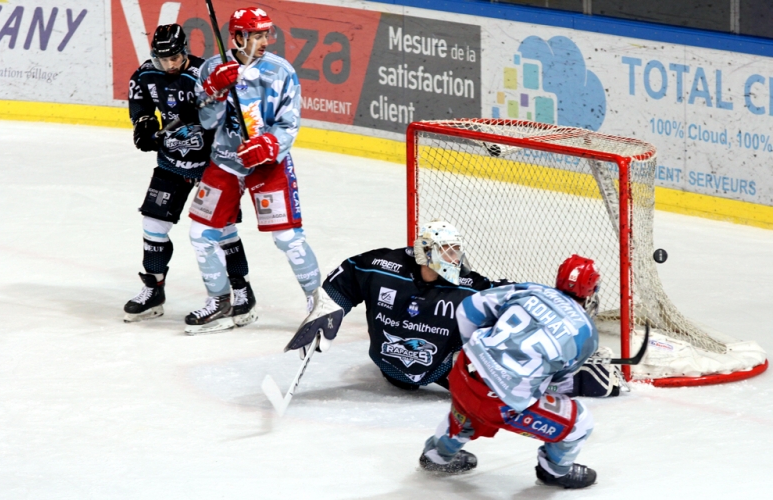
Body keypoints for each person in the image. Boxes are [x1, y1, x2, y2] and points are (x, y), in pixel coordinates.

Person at [184, 7, 321, 334]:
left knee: (287, 237)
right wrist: (213, 91)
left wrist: (269, 144)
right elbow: (206, 121)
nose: (264, 41)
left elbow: (289, 123)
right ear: (237, 37)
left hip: (267, 165)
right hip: (225, 160)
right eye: (256, 35)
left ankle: (318, 302)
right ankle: (220, 301)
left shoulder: (281, 71)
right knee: (200, 234)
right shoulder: (212, 68)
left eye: (264, 35)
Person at [419, 255, 602, 489]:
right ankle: (553, 471)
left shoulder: (530, 290)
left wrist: (481, 356)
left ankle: (437, 456)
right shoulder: (587, 334)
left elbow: (467, 310)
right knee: (580, 422)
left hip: (463, 373)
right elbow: (557, 384)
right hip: (500, 404)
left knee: (468, 408)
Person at [124, 24, 257, 328]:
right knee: (153, 224)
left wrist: (211, 112)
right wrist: (143, 123)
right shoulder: (146, 74)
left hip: (213, 165)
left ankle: (241, 290)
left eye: (174, 57)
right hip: (171, 161)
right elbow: (141, 101)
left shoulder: (205, 74)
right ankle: (153, 289)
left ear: (185, 51)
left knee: (221, 230)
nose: (169, 64)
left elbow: (234, 112)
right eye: (162, 59)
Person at [285, 220, 513, 390]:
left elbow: (501, 296)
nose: (456, 259)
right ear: (427, 252)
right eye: (448, 251)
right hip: (390, 367)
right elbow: (348, 279)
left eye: (457, 250)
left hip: (444, 367)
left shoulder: (469, 287)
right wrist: (327, 310)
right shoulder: (382, 268)